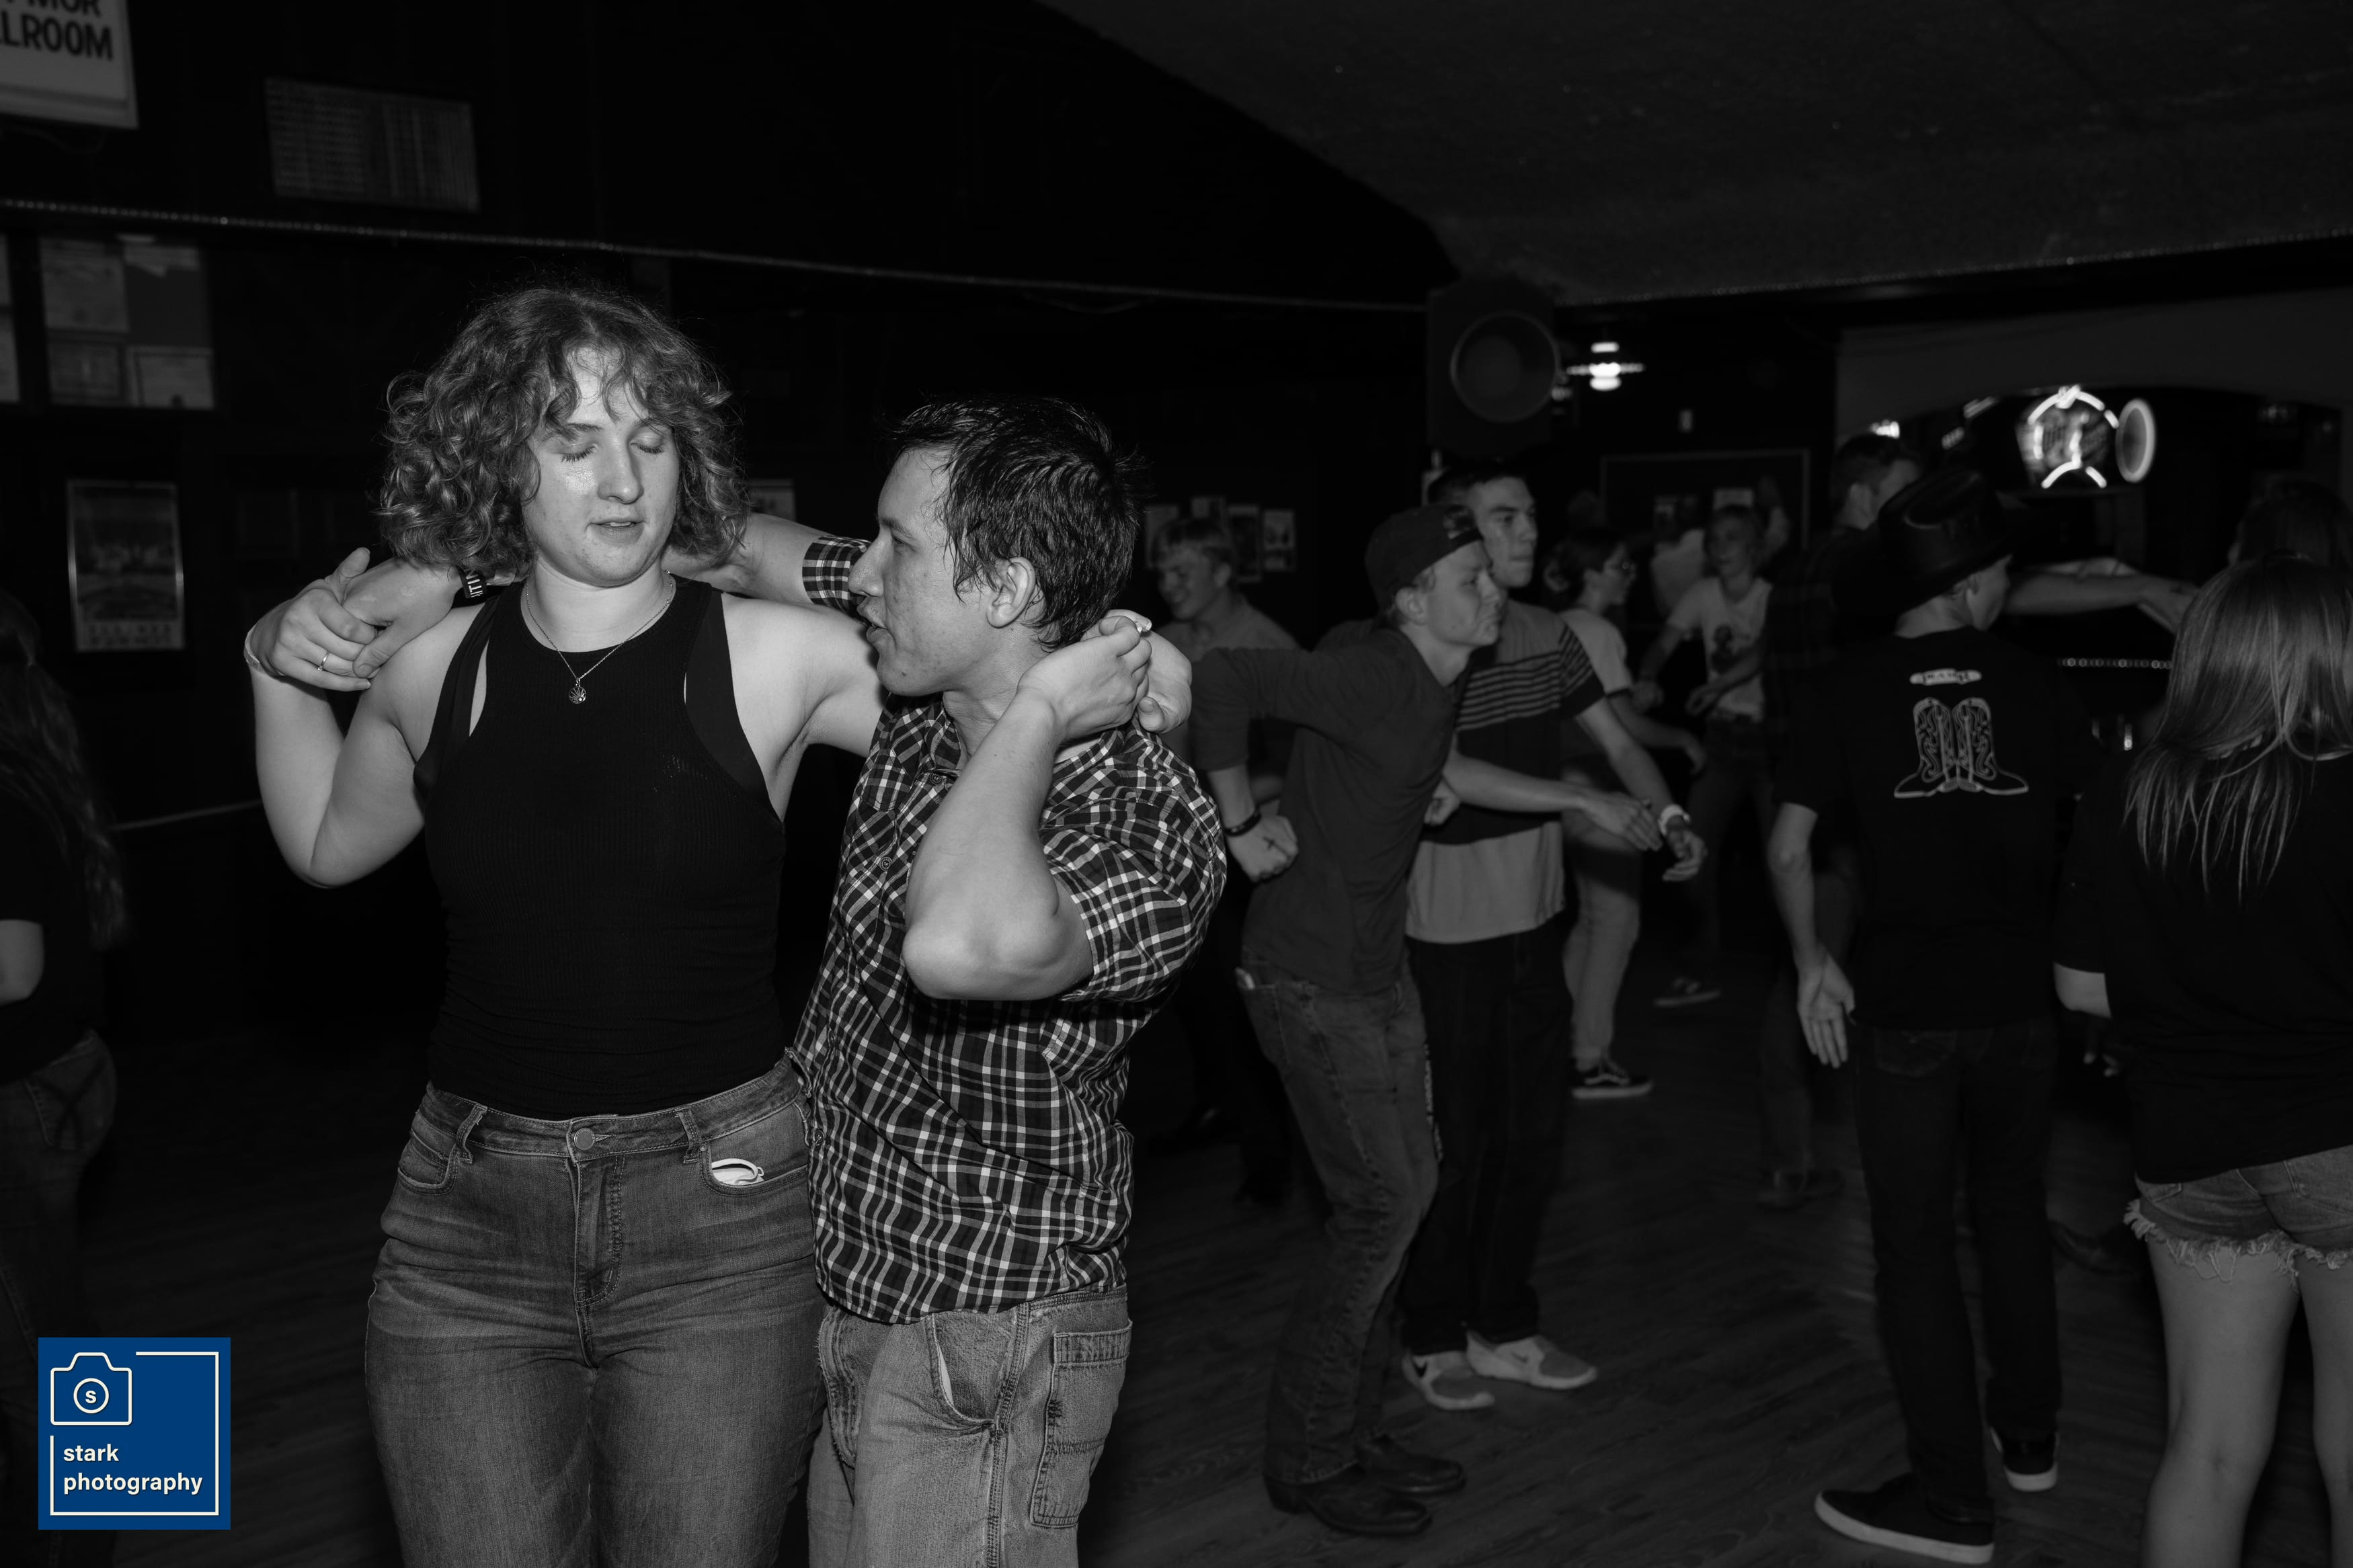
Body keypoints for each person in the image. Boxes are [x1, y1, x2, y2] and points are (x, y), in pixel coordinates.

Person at [258, 373, 1211, 1565]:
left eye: (895, 548)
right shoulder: (927, 699)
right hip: (846, 1292)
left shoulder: (1144, 812)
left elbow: (958, 944)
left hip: (990, 1332)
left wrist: (1043, 713)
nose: (860, 574)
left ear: (1005, 587)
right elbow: (724, 543)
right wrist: (449, 569)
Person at [1191, 504, 1698, 1540]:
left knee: (1406, 1199)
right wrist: (1238, 824)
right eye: (1471, 577)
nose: (1494, 589)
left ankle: (1353, 1428)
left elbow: (1445, 771)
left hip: (1376, 975)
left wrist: (1585, 802)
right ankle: (1310, 1458)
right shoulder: (1377, 673)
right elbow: (1224, 679)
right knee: (1383, 1211)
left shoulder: (1431, 680)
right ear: (1413, 600)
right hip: (1309, 980)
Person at [1767, 466, 2100, 1565]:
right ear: (1963, 584)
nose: (2007, 587)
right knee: (2010, 1211)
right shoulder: (2039, 683)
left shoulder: (1847, 686)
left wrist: (1812, 962)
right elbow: (2098, 826)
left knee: (1913, 1246)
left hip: (1907, 1010)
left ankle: (1953, 1501)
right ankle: (2030, 1437)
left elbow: (1788, 847)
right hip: (2021, 1006)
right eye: (2001, 571)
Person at [2053, 554, 2353, 1568]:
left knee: (2210, 1450)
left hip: (2186, 1148)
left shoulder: (2128, 785)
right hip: (2339, 1136)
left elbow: (2079, 988)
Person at [1395, 464, 1703, 1421]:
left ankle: (1502, 1321)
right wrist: (1585, 801)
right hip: (1442, 937)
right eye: (1504, 517)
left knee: (1531, 1138)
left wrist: (1670, 816)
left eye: (1529, 513)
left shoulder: (1543, 634)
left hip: (1534, 926)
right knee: (1454, 1147)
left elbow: (1619, 744)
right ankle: (1430, 1333)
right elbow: (1445, 768)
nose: (1528, 530)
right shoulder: (1419, 640)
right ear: (1458, 533)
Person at [0, 590, 126, 1568]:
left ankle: (91, 1539)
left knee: (33, 1344)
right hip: (63, 1073)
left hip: (27, 1087)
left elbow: (12, 972)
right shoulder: (30, 763)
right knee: (62, 1318)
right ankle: (119, 1511)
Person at [1147, 515, 1297, 1204]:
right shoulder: (1163, 643)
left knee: (1244, 997)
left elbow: (1294, 764)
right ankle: (1217, 1107)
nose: (1168, 583)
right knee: (1195, 992)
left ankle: (1271, 1150)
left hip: (1246, 848)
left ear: (1223, 571)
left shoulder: (1267, 647)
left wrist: (1217, 800)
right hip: (1183, 847)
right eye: (1163, 570)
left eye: (1183, 570)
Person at [1543, 528, 1706, 1109]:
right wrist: (1683, 737)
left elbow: (1602, 712)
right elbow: (1623, 731)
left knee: (1591, 923)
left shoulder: (1552, 625)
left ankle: (1556, 1049)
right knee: (1616, 923)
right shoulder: (1600, 630)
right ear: (1591, 575)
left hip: (1562, 788)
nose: (1630, 575)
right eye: (1620, 566)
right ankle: (1588, 1061)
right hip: (1601, 790)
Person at [1638, 502, 1775, 1009]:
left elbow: (1761, 653)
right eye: (1714, 537)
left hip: (1767, 741)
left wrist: (1716, 685)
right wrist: (1647, 675)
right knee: (1690, 852)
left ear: (1754, 546)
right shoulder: (1701, 593)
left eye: (1732, 536)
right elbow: (1664, 642)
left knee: (1783, 860)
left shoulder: (1772, 596)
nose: (1719, 546)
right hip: (1720, 739)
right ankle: (1699, 969)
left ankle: (1801, 969)